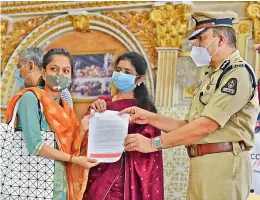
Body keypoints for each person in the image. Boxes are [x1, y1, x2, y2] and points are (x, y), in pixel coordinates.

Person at [121, 12, 259, 200]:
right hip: (202, 164)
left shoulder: (237, 74)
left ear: (221, 40)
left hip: (224, 167)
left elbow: (205, 126)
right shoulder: (211, 75)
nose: (196, 45)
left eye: (202, 38)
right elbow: (190, 125)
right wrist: (150, 117)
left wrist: (153, 144)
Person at [3, 48, 99, 200]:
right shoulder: (31, 98)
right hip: (30, 183)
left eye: (66, 71)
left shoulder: (65, 107)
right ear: (43, 73)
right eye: (54, 69)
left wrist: (82, 127)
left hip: (59, 186)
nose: (60, 75)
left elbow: (70, 146)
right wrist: (74, 160)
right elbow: (36, 146)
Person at [83, 52, 164, 200]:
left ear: (140, 79)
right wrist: (93, 112)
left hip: (126, 179)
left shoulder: (144, 109)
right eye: (118, 70)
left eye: (128, 72)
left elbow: (150, 148)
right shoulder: (102, 102)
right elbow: (85, 138)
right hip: (97, 172)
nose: (121, 75)